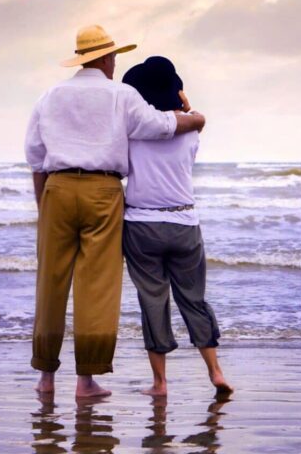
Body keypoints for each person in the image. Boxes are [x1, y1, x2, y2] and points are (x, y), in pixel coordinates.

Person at [24, 25, 206, 399]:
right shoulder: (121, 94)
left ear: (81, 59)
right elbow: (160, 126)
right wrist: (196, 119)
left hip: (57, 188)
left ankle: (45, 378)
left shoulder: (50, 95)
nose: (115, 63)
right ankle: (85, 381)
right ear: (106, 58)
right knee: (97, 286)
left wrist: (44, 206)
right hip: (103, 190)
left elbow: (36, 156)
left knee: (51, 285)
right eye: (114, 58)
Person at [120, 56, 233, 397]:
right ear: (176, 93)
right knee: (193, 299)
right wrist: (187, 105)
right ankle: (215, 371)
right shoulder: (192, 131)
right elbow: (191, 121)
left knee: (153, 300)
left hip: (142, 225)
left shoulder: (132, 132)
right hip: (184, 222)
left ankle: (160, 383)